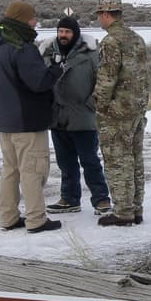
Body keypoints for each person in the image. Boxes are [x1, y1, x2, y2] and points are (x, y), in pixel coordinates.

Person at [0, 0, 64, 234]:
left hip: (5, 119)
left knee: (10, 170)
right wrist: (55, 70)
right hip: (27, 121)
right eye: (32, 18)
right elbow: (38, 82)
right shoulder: (21, 46)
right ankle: (36, 218)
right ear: (22, 19)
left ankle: (8, 217)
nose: (35, 21)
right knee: (33, 170)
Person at [41, 15, 111, 216]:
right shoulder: (48, 52)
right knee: (65, 163)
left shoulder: (90, 53)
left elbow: (103, 82)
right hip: (58, 118)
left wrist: (92, 104)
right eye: (60, 31)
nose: (63, 35)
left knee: (90, 161)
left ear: (75, 33)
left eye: (67, 32)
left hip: (83, 117)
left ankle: (101, 199)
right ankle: (70, 199)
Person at [93, 0, 149, 227]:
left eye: (99, 14)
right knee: (135, 159)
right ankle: (136, 209)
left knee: (117, 160)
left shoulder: (111, 41)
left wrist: (100, 104)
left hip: (117, 111)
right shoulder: (136, 39)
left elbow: (107, 78)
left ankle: (123, 211)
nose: (98, 19)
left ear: (106, 15)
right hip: (136, 108)